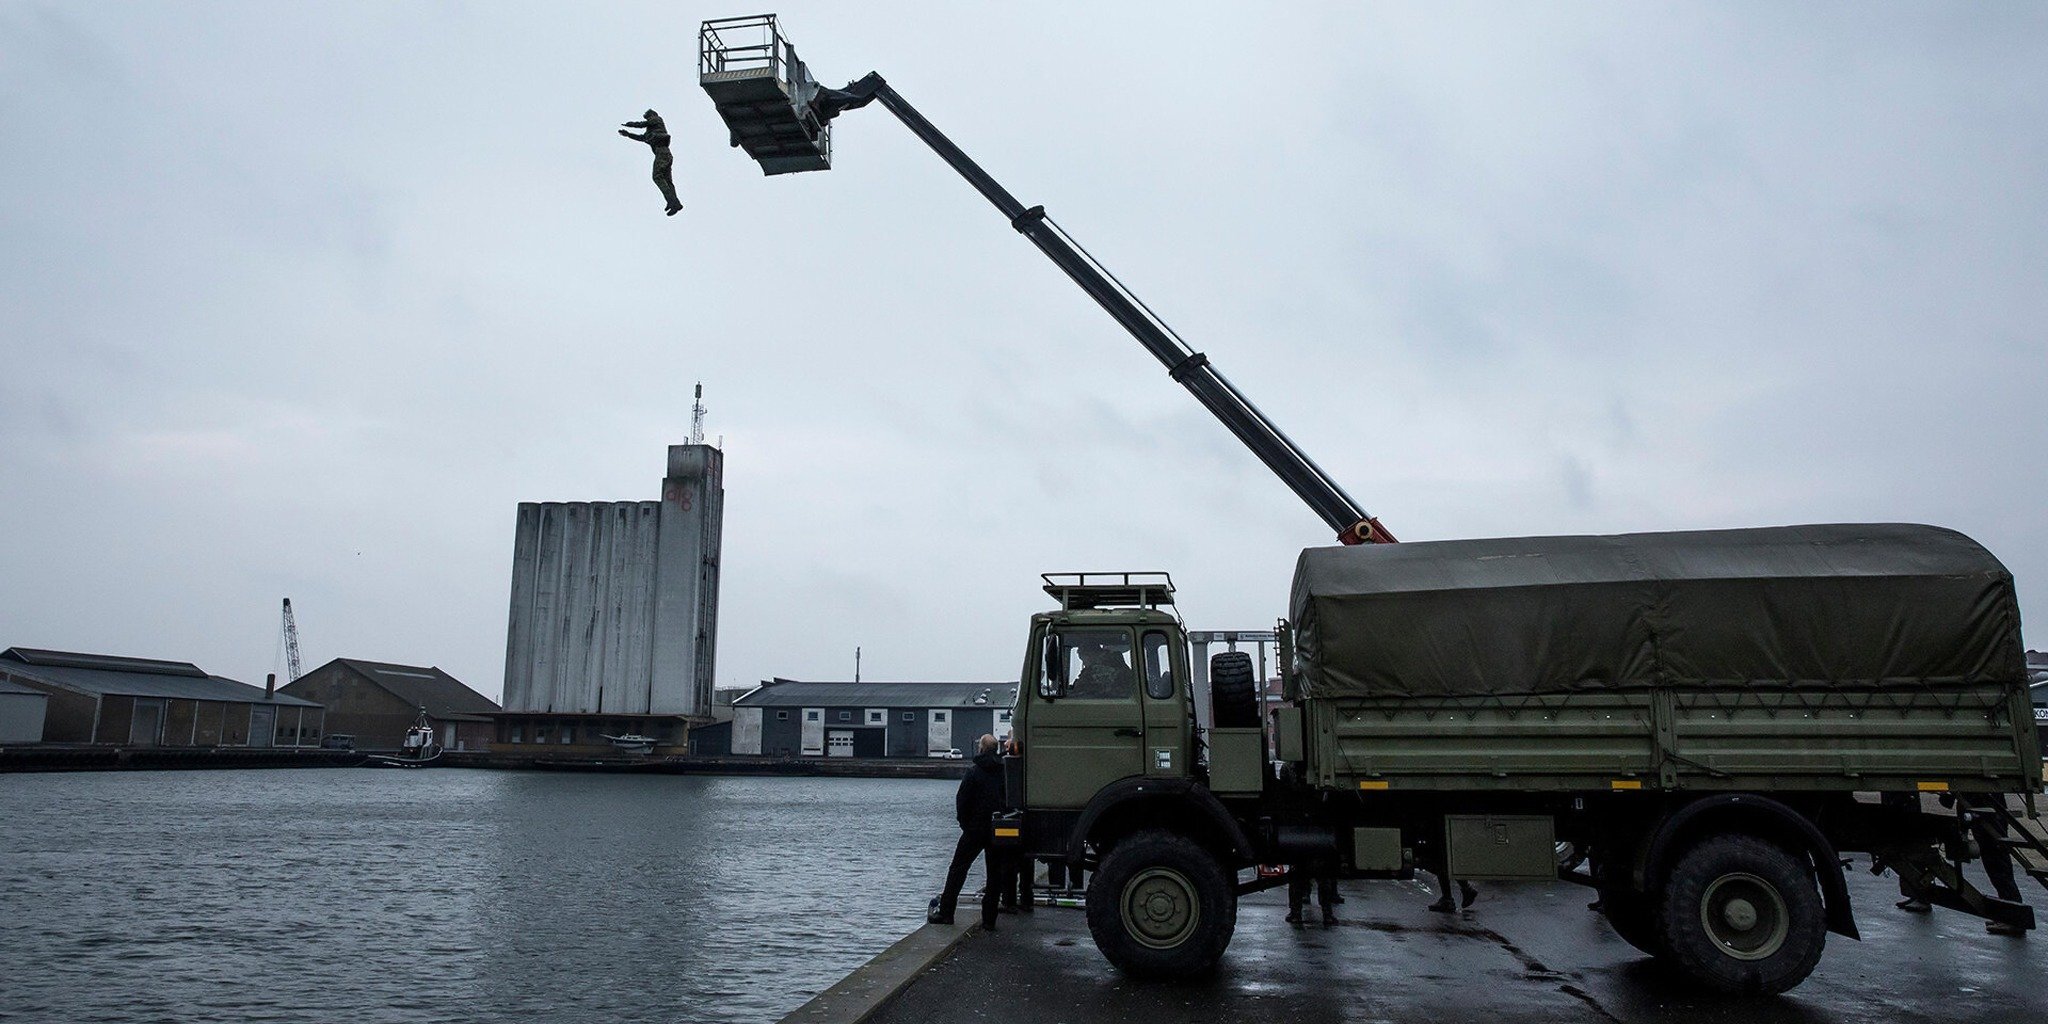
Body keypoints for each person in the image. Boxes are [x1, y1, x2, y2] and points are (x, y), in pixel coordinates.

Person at [929, 735, 1007, 929]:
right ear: (996, 749)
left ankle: (946, 913)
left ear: (981, 749)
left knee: (958, 869)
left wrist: (965, 824)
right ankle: (989, 920)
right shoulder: (1004, 771)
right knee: (994, 875)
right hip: (997, 829)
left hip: (974, 830)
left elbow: (962, 800)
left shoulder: (973, 772)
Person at [618, 109, 683, 216]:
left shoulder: (656, 119)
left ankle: (672, 201)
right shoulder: (651, 131)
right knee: (667, 180)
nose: (648, 119)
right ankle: (674, 202)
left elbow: (642, 124)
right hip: (664, 153)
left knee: (657, 176)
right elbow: (642, 137)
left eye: (647, 117)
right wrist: (628, 134)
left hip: (662, 152)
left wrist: (630, 124)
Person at [1286, 856, 1340, 927]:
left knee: (1296, 882)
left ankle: (1295, 913)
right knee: (1324, 883)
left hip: (1302, 857)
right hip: (1320, 857)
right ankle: (1327, 914)